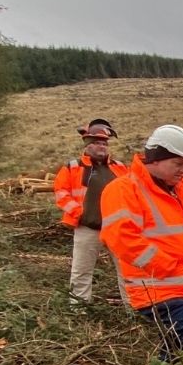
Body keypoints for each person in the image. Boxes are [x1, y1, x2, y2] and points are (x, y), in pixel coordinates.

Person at [101, 125, 183, 356]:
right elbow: (121, 238)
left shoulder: (182, 189)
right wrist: (165, 265)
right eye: (178, 163)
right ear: (155, 159)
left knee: (178, 344)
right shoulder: (123, 189)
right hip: (158, 289)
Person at [53, 118, 129, 305]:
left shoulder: (119, 167)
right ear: (87, 145)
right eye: (97, 143)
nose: (102, 146)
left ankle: (134, 307)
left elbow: (130, 193)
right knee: (81, 271)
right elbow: (61, 192)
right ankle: (79, 309)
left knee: (128, 270)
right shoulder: (73, 167)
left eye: (104, 143)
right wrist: (79, 212)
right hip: (87, 228)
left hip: (116, 229)